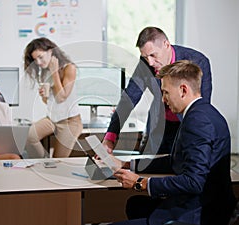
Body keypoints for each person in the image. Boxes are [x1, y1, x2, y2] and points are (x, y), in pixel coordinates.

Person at [113, 60, 236, 225]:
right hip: (207, 204)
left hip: (198, 214)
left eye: (165, 93)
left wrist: (140, 182)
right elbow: (176, 161)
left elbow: (194, 182)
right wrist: (130, 165)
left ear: (183, 90)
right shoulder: (204, 112)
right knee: (135, 204)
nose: (163, 100)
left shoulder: (197, 121)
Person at [103, 27, 212, 156]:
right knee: (151, 166)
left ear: (166, 44)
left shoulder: (197, 61)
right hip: (159, 124)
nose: (150, 62)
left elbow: (201, 105)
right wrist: (110, 136)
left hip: (185, 125)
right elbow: (129, 98)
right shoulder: (146, 63)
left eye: (153, 55)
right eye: (145, 56)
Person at [23, 37, 83, 158]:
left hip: (69, 122)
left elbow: (61, 97)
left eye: (40, 57)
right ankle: (44, 162)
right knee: (29, 136)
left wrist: (54, 72)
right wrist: (44, 96)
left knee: (58, 161)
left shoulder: (69, 68)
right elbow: (50, 102)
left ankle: (51, 164)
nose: (38, 62)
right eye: (35, 59)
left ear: (51, 51)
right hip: (52, 118)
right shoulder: (44, 71)